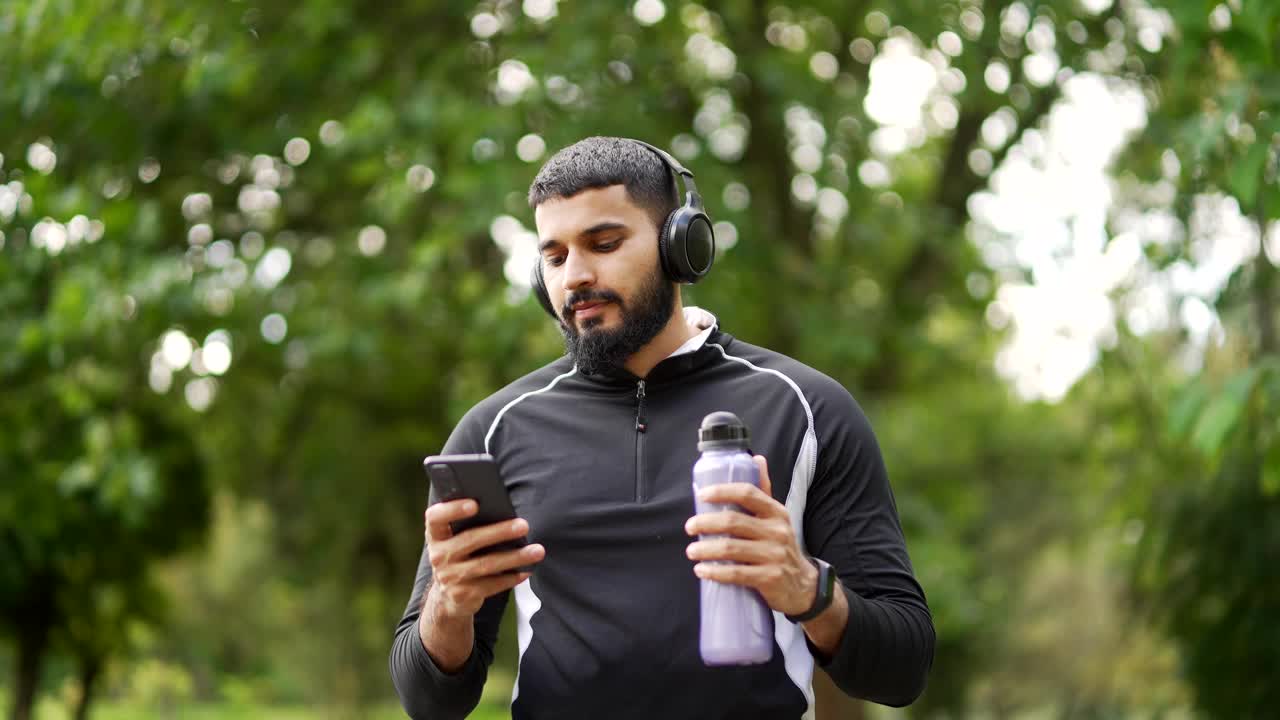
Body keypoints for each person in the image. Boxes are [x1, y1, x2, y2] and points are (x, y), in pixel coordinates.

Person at [390, 137, 934, 719]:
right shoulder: (494, 430)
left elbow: (903, 667)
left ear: (681, 246)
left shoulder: (807, 407)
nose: (574, 276)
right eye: (554, 257)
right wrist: (449, 603)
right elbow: (430, 702)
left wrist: (808, 589)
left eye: (604, 243)